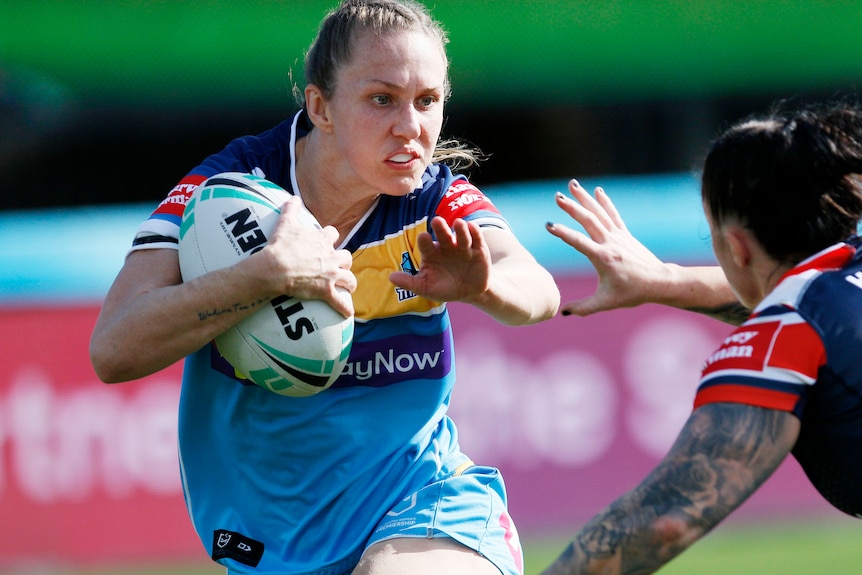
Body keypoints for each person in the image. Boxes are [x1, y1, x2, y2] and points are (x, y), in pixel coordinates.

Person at [89, 1, 560, 574]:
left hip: (421, 503)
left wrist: (482, 286)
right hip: (267, 534)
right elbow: (114, 348)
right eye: (381, 99)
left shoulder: (433, 200)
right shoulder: (226, 194)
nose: (410, 128)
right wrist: (262, 277)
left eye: (428, 102)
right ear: (321, 107)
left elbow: (538, 289)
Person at [541, 100, 862, 574]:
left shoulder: (781, 337)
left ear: (734, 245)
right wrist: (666, 280)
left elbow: (665, 517)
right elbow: (811, 304)